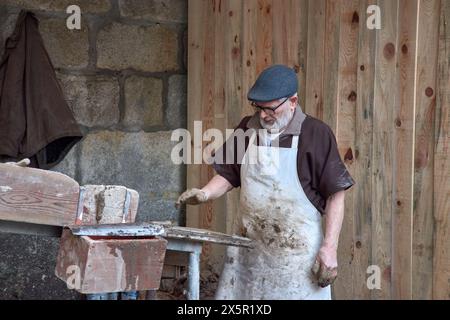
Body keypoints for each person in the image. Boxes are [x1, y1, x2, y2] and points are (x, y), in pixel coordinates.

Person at [176, 64, 355, 300]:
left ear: (292, 101)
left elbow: (336, 195)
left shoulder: (316, 134)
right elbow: (229, 174)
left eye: (270, 109)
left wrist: (329, 248)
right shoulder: (247, 129)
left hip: (295, 257)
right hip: (248, 251)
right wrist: (205, 193)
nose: (262, 115)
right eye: (258, 108)